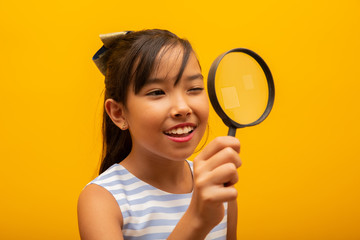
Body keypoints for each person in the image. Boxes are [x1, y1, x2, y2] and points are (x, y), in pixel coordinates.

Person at [77, 29, 241, 240]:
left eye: (194, 88)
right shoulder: (102, 200)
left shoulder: (217, 187)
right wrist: (197, 221)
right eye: (157, 92)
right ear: (118, 113)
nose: (182, 108)